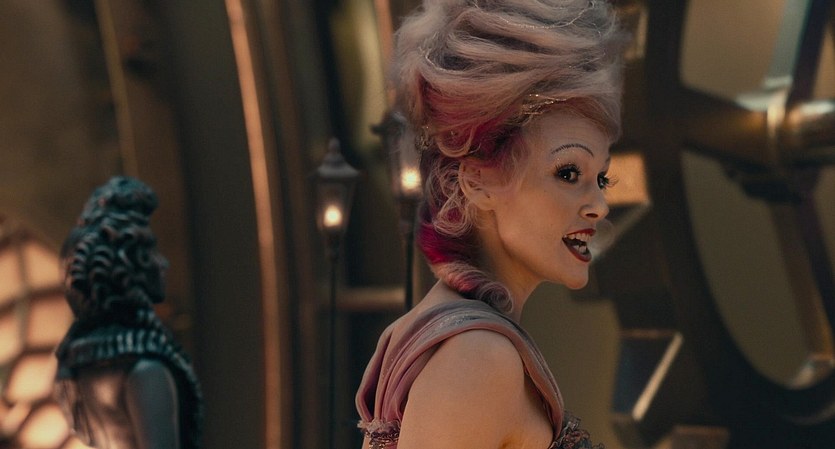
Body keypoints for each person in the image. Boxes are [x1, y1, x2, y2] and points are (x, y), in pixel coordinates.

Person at [356, 1, 625, 448]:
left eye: (602, 178)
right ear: (477, 181)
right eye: (568, 173)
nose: (598, 205)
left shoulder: (452, 335)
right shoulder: (479, 357)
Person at [54, 176, 203, 449]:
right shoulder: (146, 370)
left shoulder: (82, 369)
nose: (163, 263)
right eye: (151, 251)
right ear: (130, 266)